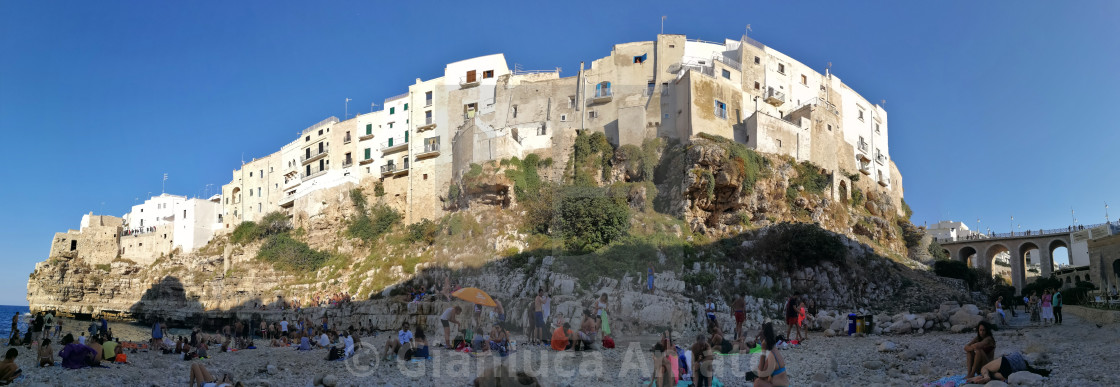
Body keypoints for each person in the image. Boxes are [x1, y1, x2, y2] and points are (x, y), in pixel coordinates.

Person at [966, 351, 1050, 384]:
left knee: (984, 368)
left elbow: (1004, 356)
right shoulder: (1024, 366)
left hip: (1006, 363)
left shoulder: (1015, 355)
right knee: (991, 374)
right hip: (1009, 372)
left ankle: (985, 376)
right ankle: (985, 377)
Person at [752, 322, 789, 387]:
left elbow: (761, 376)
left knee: (757, 382)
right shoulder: (775, 351)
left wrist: (763, 351)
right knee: (762, 379)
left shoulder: (772, 356)